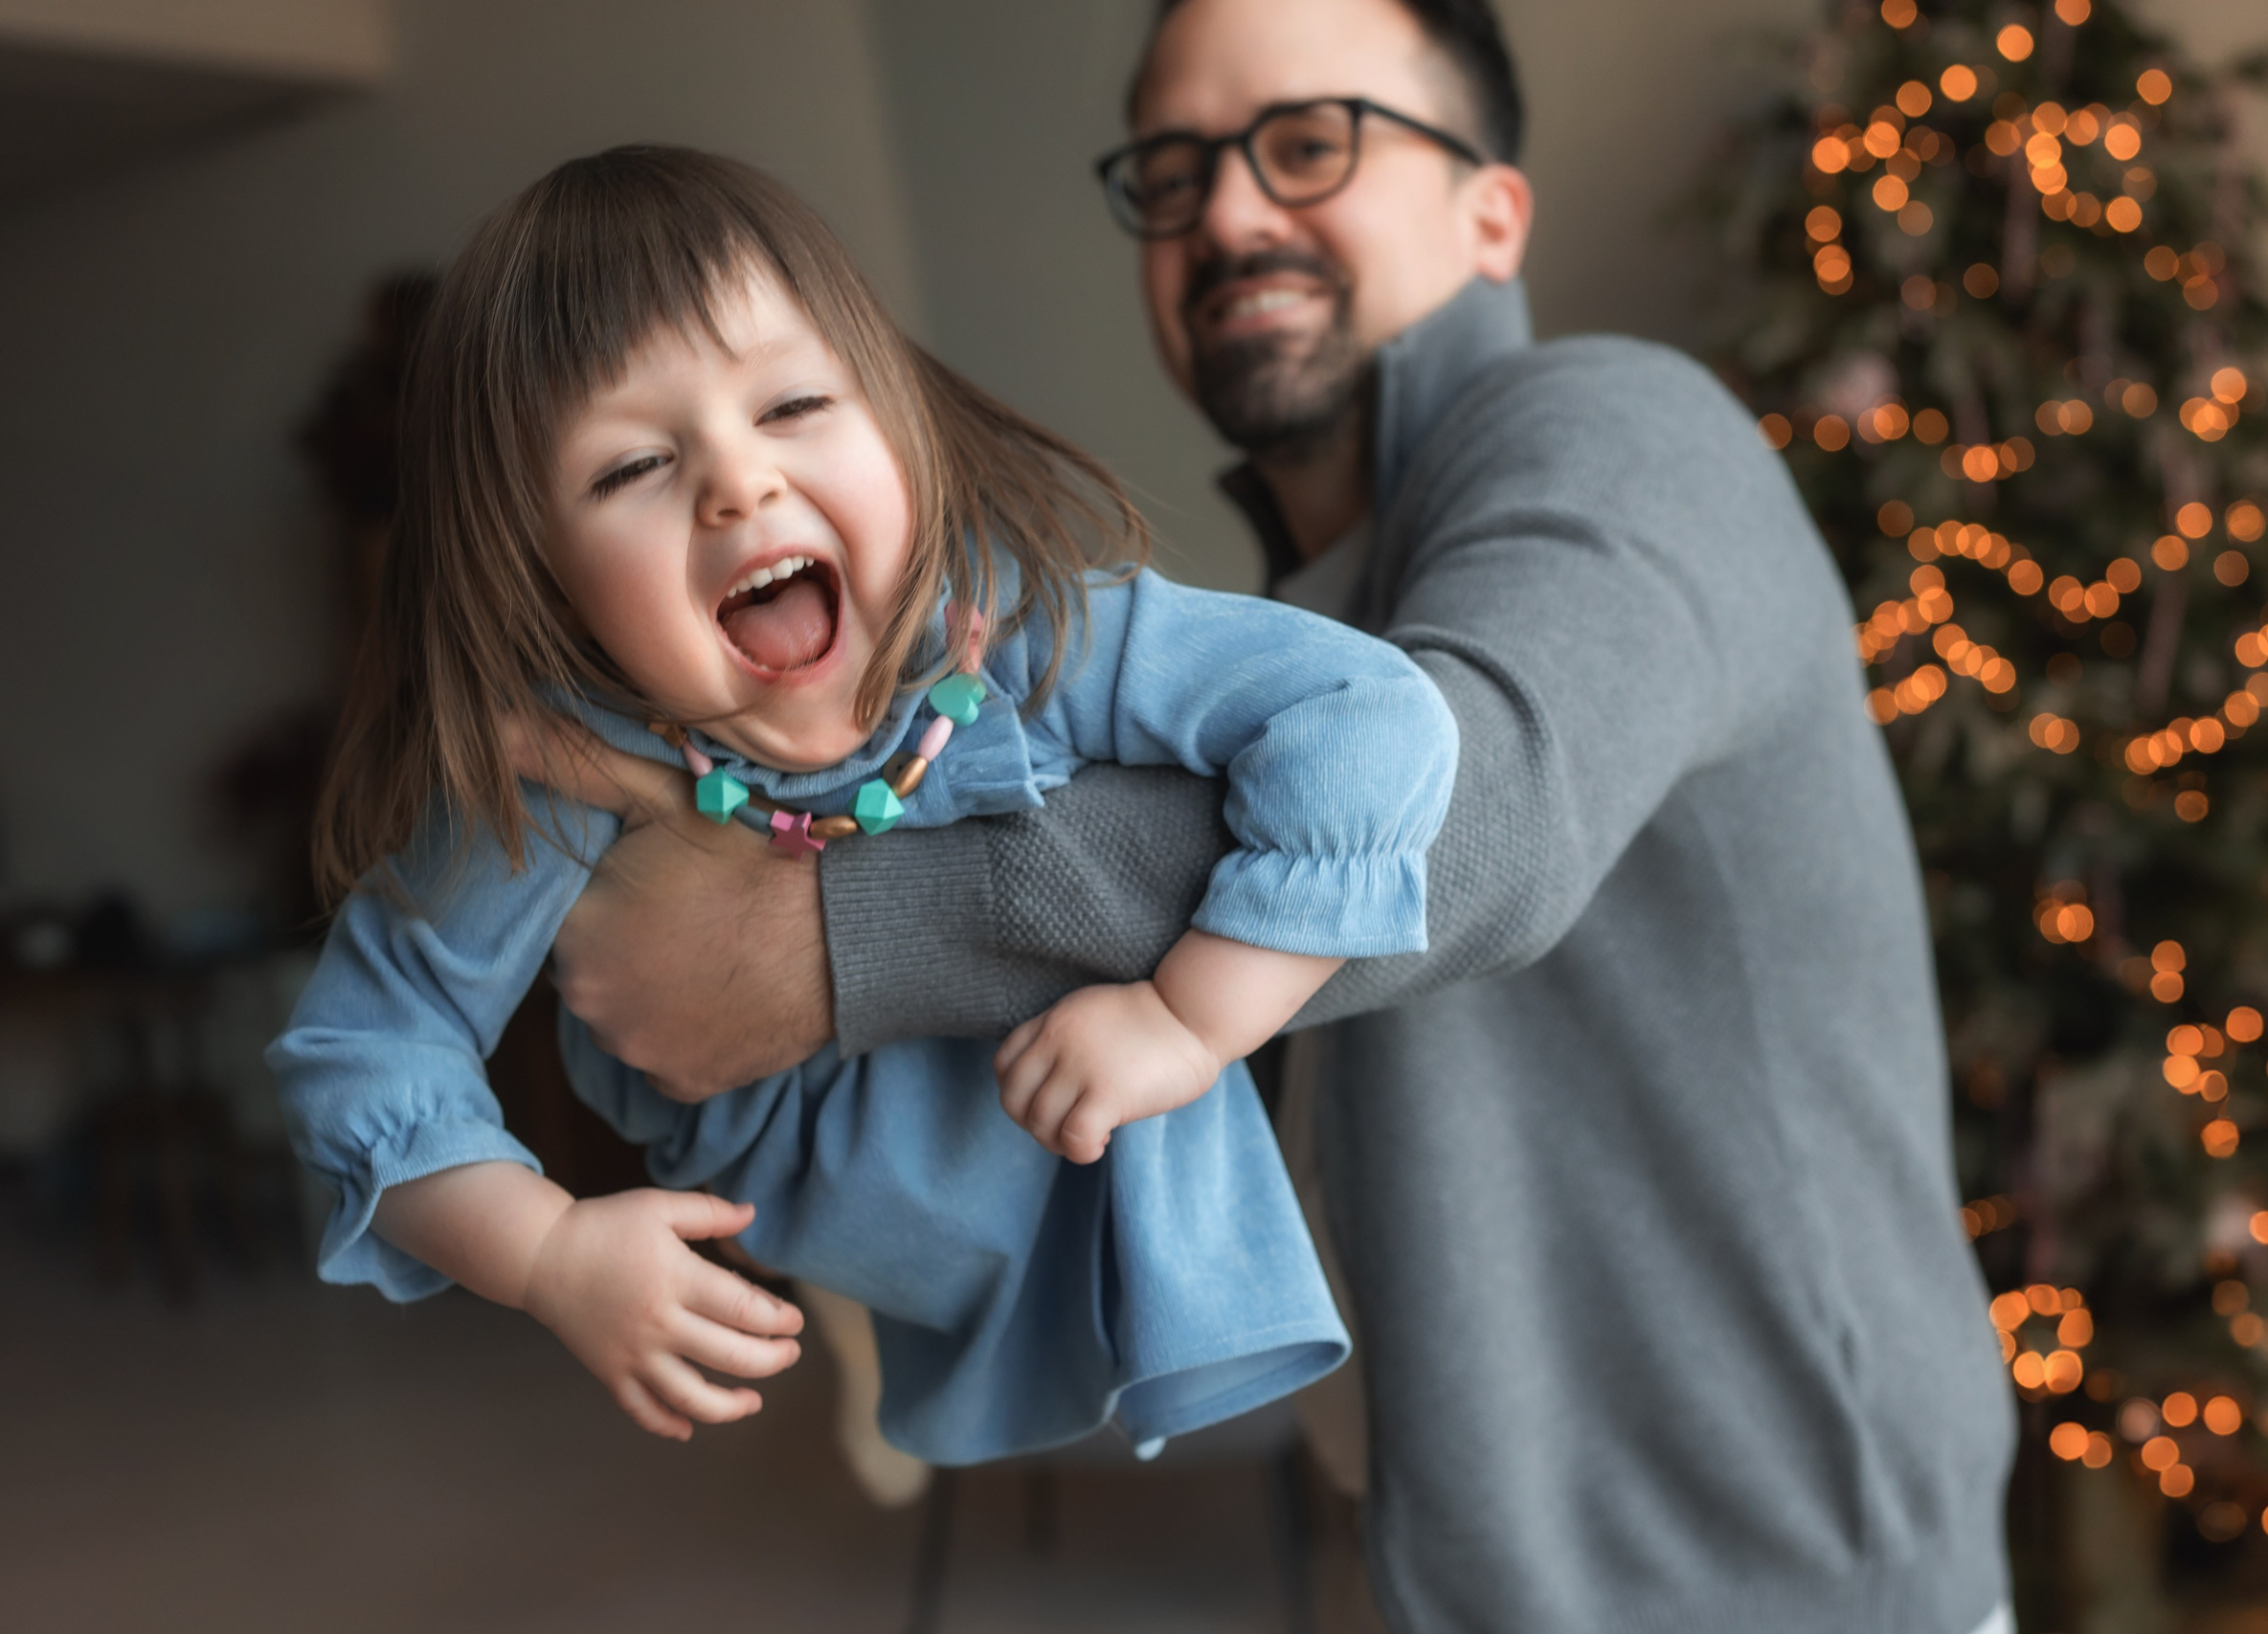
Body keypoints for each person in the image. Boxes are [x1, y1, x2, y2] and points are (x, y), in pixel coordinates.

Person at [535, 1, 2019, 1630]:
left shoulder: (1622, 430)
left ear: (1491, 210)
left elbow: (1476, 813)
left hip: (1793, 1583)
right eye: (1173, 172)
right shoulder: (1296, 606)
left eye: (1309, 143)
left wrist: (823, 934)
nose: (1228, 211)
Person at [267, 146, 1460, 1465]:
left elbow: (1370, 717)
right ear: (536, 583)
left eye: (790, 404)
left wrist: (1189, 1018)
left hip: (1123, 1164)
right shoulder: (557, 766)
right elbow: (365, 1051)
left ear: (897, 415)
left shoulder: (1022, 634)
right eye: (629, 469)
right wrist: (544, 1251)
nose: (738, 482)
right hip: (820, 1231)